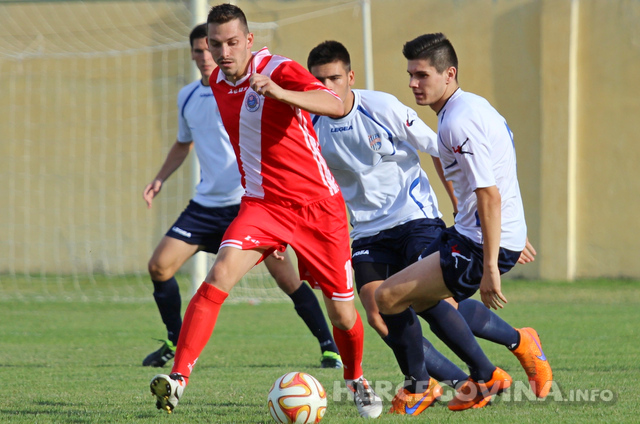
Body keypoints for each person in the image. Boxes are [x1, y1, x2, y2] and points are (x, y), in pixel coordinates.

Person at [149, 5, 382, 419]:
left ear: (249, 40)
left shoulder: (280, 68)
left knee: (343, 313)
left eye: (232, 43)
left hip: (318, 208)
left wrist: (281, 93)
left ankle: (355, 377)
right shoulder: (217, 82)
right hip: (263, 205)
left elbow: (335, 102)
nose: (223, 52)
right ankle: (179, 378)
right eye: (214, 44)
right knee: (220, 273)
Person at [307, 40, 550, 415]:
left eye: (334, 78)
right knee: (381, 309)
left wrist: (478, 228)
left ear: (350, 77)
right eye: (318, 81)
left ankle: (488, 363)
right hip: (370, 231)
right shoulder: (311, 125)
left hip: (415, 218)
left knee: (425, 301)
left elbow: (446, 156)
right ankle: (464, 379)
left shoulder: (388, 108)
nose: (327, 88)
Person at [142, 23, 342, 371]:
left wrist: (280, 94)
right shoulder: (190, 95)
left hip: (250, 201)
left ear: (244, 43)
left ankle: (328, 346)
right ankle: (177, 343)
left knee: (287, 279)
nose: (213, 55)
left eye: (221, 46)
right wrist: (160, 178)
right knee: (160, 266)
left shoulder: (253, 81)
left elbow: (312, 110)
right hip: (205, 204)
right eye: (205, 49)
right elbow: (183, 142)